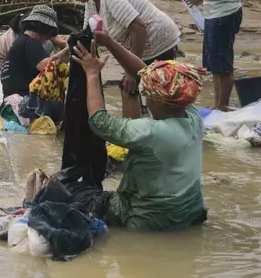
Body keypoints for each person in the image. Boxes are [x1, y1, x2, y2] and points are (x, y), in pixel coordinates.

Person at [67, 30, 206, 231]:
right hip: (189, 212)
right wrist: (110, 43)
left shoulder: (150, 132)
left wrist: (92, 73)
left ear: (157, 100)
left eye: (148, 93)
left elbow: (99, 121)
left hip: (145, 218)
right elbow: (146, 73)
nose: (146, 96)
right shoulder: (193, 118)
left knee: (75, 191)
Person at [57, 0, 181, 119]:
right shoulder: (91, 2)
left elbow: (140, 28)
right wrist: (63, 54)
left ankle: (145, 132)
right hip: (140, 44)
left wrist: (131, 72)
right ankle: (134, 134)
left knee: (155, 94)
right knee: (130, 89)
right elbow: (87, 35)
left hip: (158, 40)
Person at [186, 0, 245, 111]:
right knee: (215, 64)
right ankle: (218, 104)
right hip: (215, 15)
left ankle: (222, 105)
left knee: (223, 62)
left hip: (224, 14)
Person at [0, 5, 66, 129]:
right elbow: (48, 67)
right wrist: (66, 49)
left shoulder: (20, 42)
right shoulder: (30, 43)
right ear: (43, 29)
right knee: (62, 109)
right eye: (49, 34)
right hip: (22, 103)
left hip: (9, 101)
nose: (48, 39)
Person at [0, 14, 66, 85]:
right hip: (0, 73)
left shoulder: (34, 36)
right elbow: (42, 66)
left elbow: (57, 41)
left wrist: (60, 43)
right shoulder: (15, 41)